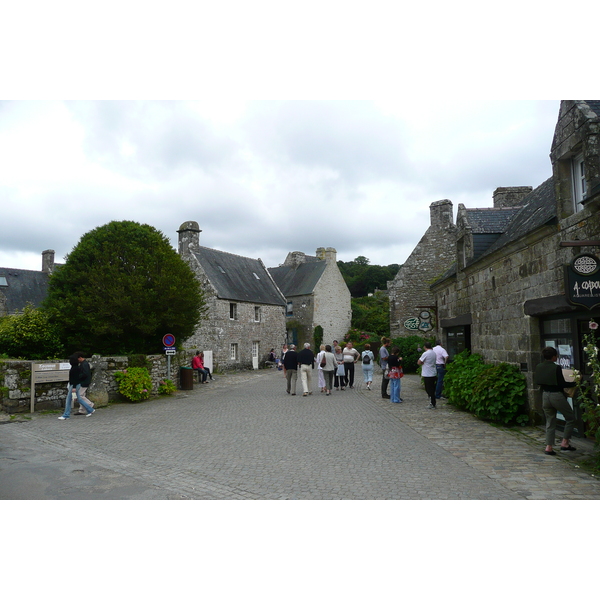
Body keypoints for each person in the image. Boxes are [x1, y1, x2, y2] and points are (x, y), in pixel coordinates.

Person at [534, 346, 578, 455]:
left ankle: (549, 447)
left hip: (545, 395)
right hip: (556, 396)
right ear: (554, 357)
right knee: (570, 418)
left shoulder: (539, 366)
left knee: (550, 421)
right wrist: (575, 383)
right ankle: (565, 442)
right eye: (556, 356)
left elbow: (538, 382)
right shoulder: (556, 367)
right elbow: (562, 384)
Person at [59, 354, 95, 420]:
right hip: (76, 384)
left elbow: (75, 378)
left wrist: (74, 387)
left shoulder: (75, 368)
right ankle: (90, 409)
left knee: (70, 399)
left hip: (74, 385)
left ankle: (66, 415)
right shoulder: (78, 367)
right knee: (79, 398)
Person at [418, 342, 437, 408]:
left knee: (428, 389)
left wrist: (423, 362)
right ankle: (432, 400)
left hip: (427, 373)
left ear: (425, 347)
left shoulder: (426, 353)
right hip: (433, 372)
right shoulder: (434, 353)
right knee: (432, 388)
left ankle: (432, 402)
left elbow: (419, 362)